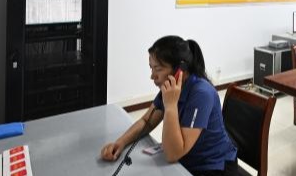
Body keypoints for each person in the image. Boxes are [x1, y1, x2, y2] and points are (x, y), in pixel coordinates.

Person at [101, 36, 238, 176]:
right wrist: (121, 143)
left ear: (180, 70)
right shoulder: (171, 88)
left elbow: (173, 154)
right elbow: (147, 121)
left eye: (158, 69)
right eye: (151, 68)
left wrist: (171, 106)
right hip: (186, 161)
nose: (152, 76)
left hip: (214, 167)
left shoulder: (201, 94)